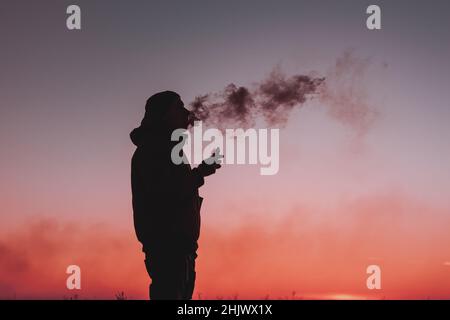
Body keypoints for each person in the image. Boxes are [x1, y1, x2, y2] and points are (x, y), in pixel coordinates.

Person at [130, 91, 221, 299]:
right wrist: (200, 172)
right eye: (179, 107)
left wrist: (199, 171)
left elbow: (176, 188)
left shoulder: (166, 148)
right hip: (169, 247)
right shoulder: (155, 149)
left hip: (180, 248)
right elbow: (169, 192)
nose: (186, 112)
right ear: (164, 115)